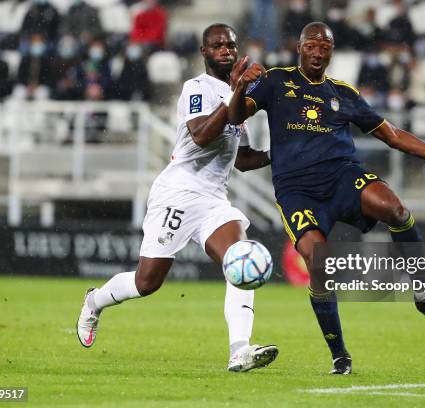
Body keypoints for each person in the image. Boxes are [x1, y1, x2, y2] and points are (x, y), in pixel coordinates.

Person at [228, 22, 425, 375]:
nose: (318, 52)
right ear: (300, 48)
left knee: (396, 210)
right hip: (297, 191)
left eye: (325, 47)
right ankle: (340, 355)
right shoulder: (275, 81)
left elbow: (393, 136)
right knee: (318, 263)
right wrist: (238, 88)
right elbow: (236, 117)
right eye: (312, 46)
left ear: (332, 52)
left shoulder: (343, 94)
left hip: (342, 178)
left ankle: (424, 291)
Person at [76, 24, 278, 372]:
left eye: (230, 45)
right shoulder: (195, 89)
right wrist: (238, 92)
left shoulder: (238, 98)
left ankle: (240, 350)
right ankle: (94, 300)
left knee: (239, 261)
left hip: (213, 199)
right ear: (203, 52)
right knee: (146, 283)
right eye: (217, 46)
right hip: (178, 193)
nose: (226, 51)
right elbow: (200, 135)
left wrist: (284, 152)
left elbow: (242, 160)